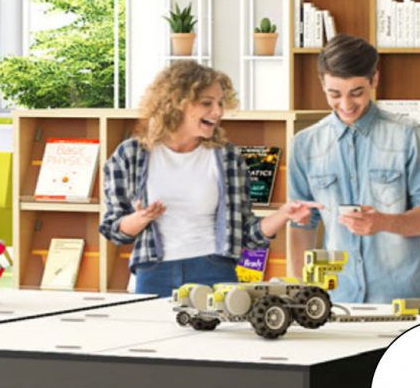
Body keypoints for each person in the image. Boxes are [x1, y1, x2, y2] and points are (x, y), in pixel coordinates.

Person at [99, 61, 317, 297]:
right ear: (174, 104)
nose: (218, 111)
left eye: (221, 103)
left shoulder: (228, 158)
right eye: (206, 103)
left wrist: (284, 214)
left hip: (216, 273)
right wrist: (138, 220)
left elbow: (248, 234)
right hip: (153, 274)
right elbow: (113, 229)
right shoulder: (130, 155)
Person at [288, 34, 420, 304]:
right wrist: (299, 295)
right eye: (334, 94)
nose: (346, 105)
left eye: (356, 93)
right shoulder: (304, 145)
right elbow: (301, 225)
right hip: (336, 299)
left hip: (403, 300)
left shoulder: (409, 137)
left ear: (374, 80)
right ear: (322, 84)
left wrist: (384, 222)